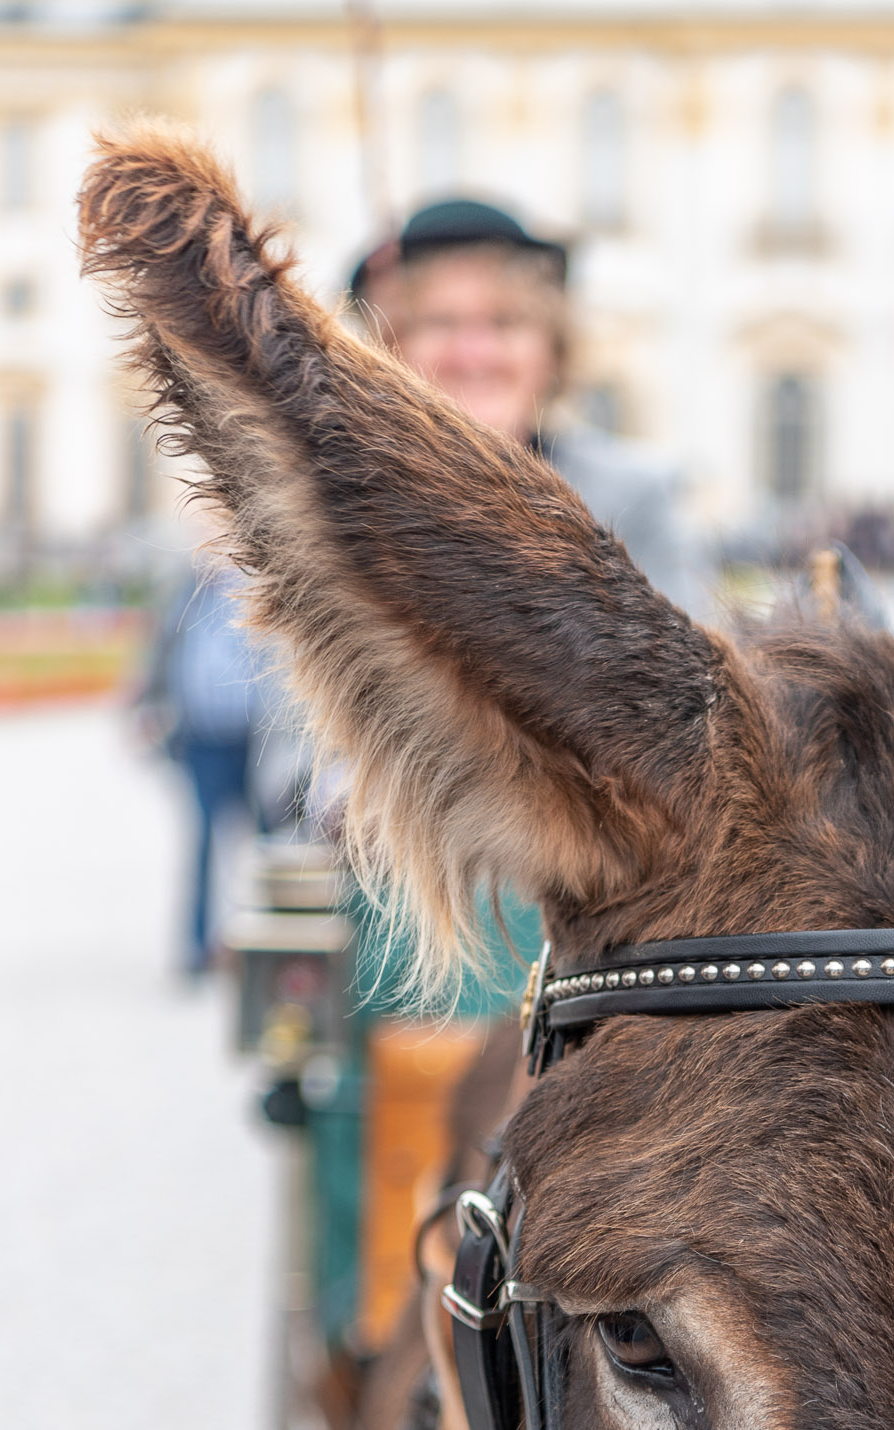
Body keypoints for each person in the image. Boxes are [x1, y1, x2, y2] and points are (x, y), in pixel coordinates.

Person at [348, 197, 699, 609]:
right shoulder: (339, 502)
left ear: (552, 351)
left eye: (506, 322)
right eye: (440, 322)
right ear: (387, 350)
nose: (474, 354)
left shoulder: (632, 497)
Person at [139, 545, 272, 973]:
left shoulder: (256, 589)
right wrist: (146, 706)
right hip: (202, 740)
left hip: (254, 743)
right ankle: (196, 947)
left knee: (265, 845)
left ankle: (266, 945)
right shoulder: (185, 595)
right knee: (201, 844)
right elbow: (159, 654)